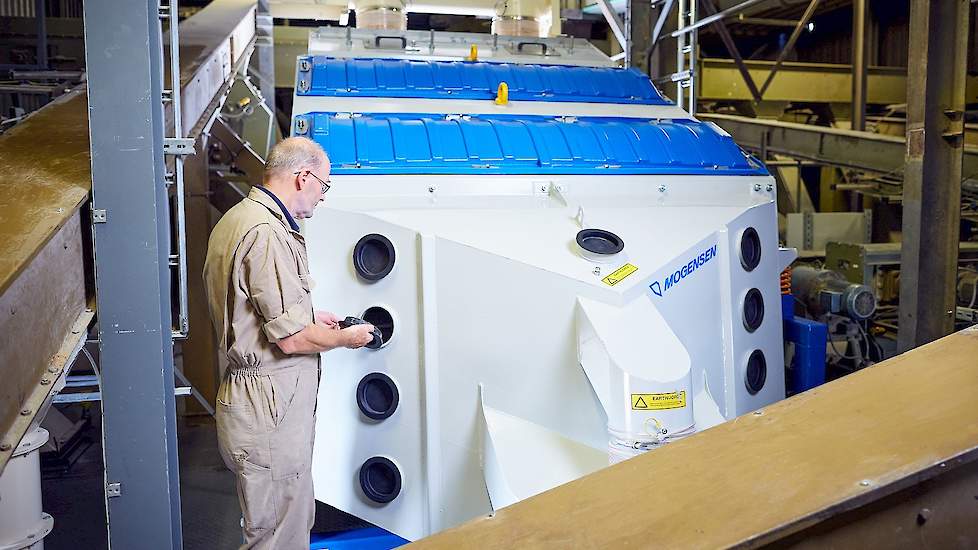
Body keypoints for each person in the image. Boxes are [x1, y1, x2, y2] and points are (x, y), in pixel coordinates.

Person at [203, 136, 375, 549]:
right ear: (303, 178)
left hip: (255, 397)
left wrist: (310, 316)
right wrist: (346, 337)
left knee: (281, 519)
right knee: (278, 531)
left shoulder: (240, 219)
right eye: (324, 185)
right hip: (269, 405)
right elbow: (293, 339)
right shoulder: (268, 234)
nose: (322, 197)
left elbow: (252, 306)